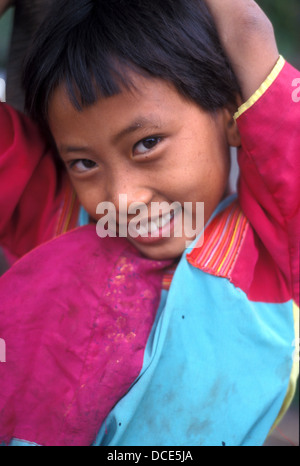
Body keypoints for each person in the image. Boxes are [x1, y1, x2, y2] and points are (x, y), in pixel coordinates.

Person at [0, 0, 299, 447]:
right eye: (83, 162)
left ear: (232, 112)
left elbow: (249, 32)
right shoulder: (56, 218)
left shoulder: (271, 252)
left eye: (147, 144)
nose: (121, 199)